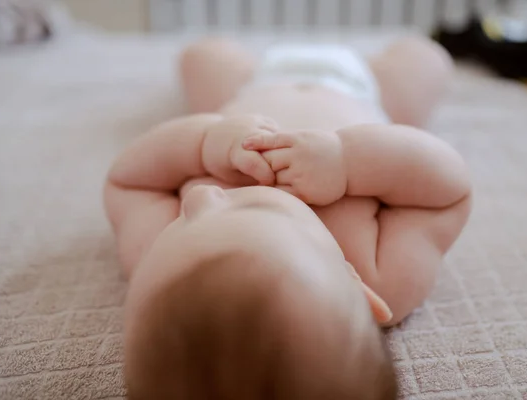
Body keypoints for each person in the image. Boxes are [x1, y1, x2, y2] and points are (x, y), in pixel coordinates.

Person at [104, 36, 471, 399]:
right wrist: (347, 161)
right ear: (356, 287)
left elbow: (128, 181)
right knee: (427, 57)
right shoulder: (385, 278)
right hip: (362, 90)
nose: (200, 196)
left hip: (245, 91)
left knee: (201, 55)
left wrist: (203, 143)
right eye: (253, 206)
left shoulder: (157, 266)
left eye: (183, 218)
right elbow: (446, 194)